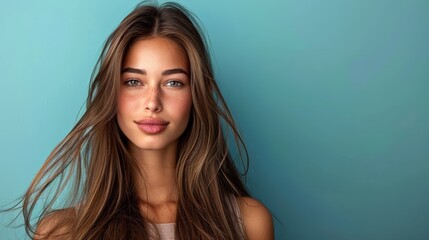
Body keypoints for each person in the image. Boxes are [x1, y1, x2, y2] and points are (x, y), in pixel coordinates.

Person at [18, 1, 273, 239]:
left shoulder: (248, 222)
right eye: (133, 82)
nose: (153, 102)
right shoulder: (63, 232)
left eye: (173, 82)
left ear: (195, 96)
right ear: (111, 94)